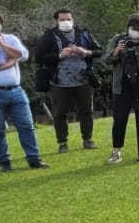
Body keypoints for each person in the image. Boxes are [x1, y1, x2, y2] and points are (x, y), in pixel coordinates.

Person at [0, 10, 47, 171]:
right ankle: (4, 162)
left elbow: (22, 55)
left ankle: (34, 158)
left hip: (16, 90)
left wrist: (2, 45)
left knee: (26, 125)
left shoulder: (10, 39)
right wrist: (10, 61)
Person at [34, 8, 101, 153]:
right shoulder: (48, 37)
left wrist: (85, 52)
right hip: (59, 82)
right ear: (56, 21)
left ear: (73, 19)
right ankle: (62, 143)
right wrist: (59, 55)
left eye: (68, 19)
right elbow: (39, 58)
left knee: (86, 111)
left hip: (84, 80)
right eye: (62, 19)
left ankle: (88, 140)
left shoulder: (84, 34)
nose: (66, 22)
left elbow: (99, 51)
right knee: (60, 113)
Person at [102, 13, 139, 164]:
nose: (136, 31)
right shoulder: (118, 39)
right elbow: (106, 60)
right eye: (133, 28)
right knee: (120, 119)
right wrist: (117, 51)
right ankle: (116, 152)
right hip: (122, 86)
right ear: (128, 27)